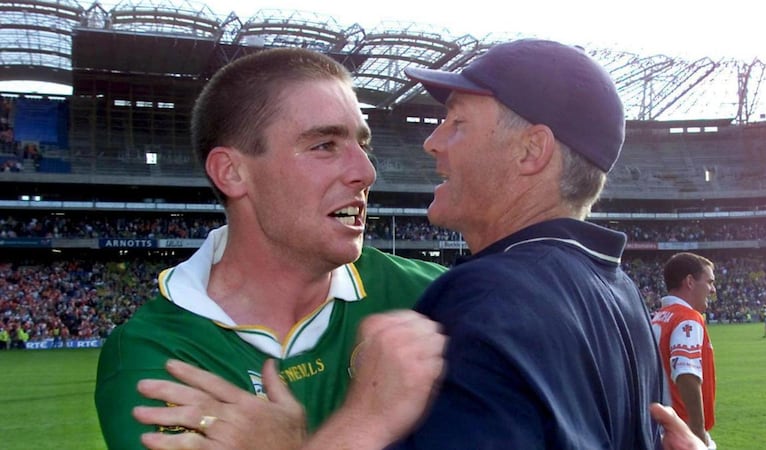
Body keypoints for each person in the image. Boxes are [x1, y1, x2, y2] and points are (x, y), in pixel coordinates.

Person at [137, 39, 679, 449]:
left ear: (531, 151)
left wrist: (324, 435)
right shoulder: (625, 299)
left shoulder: (481, 298)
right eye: (325, 144)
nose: (432, 141)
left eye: (457, 123)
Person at [94, 47, 449, 450]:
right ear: (232, 172)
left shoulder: (435, 295)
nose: (365, 172)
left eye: (361, 145)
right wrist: (365, 421)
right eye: (324, 145)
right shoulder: (157, 353)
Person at [651, 252, 718, 449]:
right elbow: (686, 373)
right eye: (709, 282)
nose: (712, 289)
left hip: (663, 427)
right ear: (690, 281)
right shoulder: (688, 318)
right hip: (683, 431)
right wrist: (697, 432)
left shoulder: (658, 317)